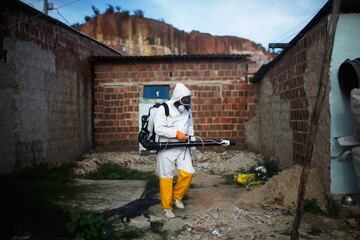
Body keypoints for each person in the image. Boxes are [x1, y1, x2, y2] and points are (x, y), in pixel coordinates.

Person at [153, 83, 195, 218]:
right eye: (185, 99)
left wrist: (192, 144)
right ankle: (167, 207)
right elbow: (158, 128)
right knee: (166, 177)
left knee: (188, 172)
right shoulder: (164, 108)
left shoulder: (187, 111)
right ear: (178, 98)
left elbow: (190, 129)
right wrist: (175, 133)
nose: (187, 102)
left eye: (189, 99)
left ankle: (177, 197)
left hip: (182, 147)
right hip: (166, 147)